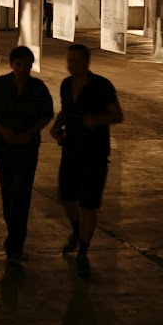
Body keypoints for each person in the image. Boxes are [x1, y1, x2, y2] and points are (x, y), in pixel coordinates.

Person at [49, 44, 124, 276]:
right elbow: (66, 111)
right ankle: (76, 229)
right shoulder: (66, 84)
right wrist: (56, 127)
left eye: (76, 61)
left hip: (95, 153)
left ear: (87, 62)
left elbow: (118, 115)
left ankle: (83, 251)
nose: (71, 65)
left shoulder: (102, 86)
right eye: (69, 60)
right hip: (70, 149)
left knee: (88, 204)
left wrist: (97, 119)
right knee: (66, 198)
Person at [0, 46, 54, 262]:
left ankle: (15, 243)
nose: (22, 70)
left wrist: (29, 133)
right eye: (19, 65)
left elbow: (46, 115)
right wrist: (5, 132)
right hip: (3, 146)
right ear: (12, 65)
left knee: (22, 193)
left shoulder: (37, 88)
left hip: (27, 148)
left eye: (27, 66)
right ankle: (13, 235)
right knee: (8, 191)